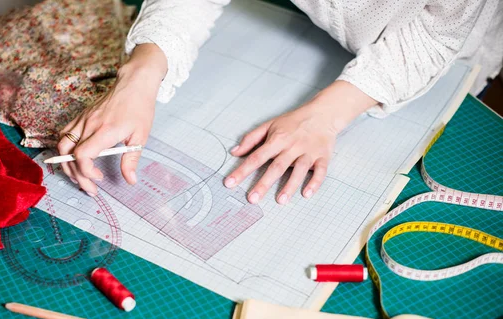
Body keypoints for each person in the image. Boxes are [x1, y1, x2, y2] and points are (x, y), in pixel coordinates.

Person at [57, 0, 502, 205]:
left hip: (449, 56)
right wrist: (141, 75)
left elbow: (437, 34)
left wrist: (326, 115)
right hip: (313, 24)